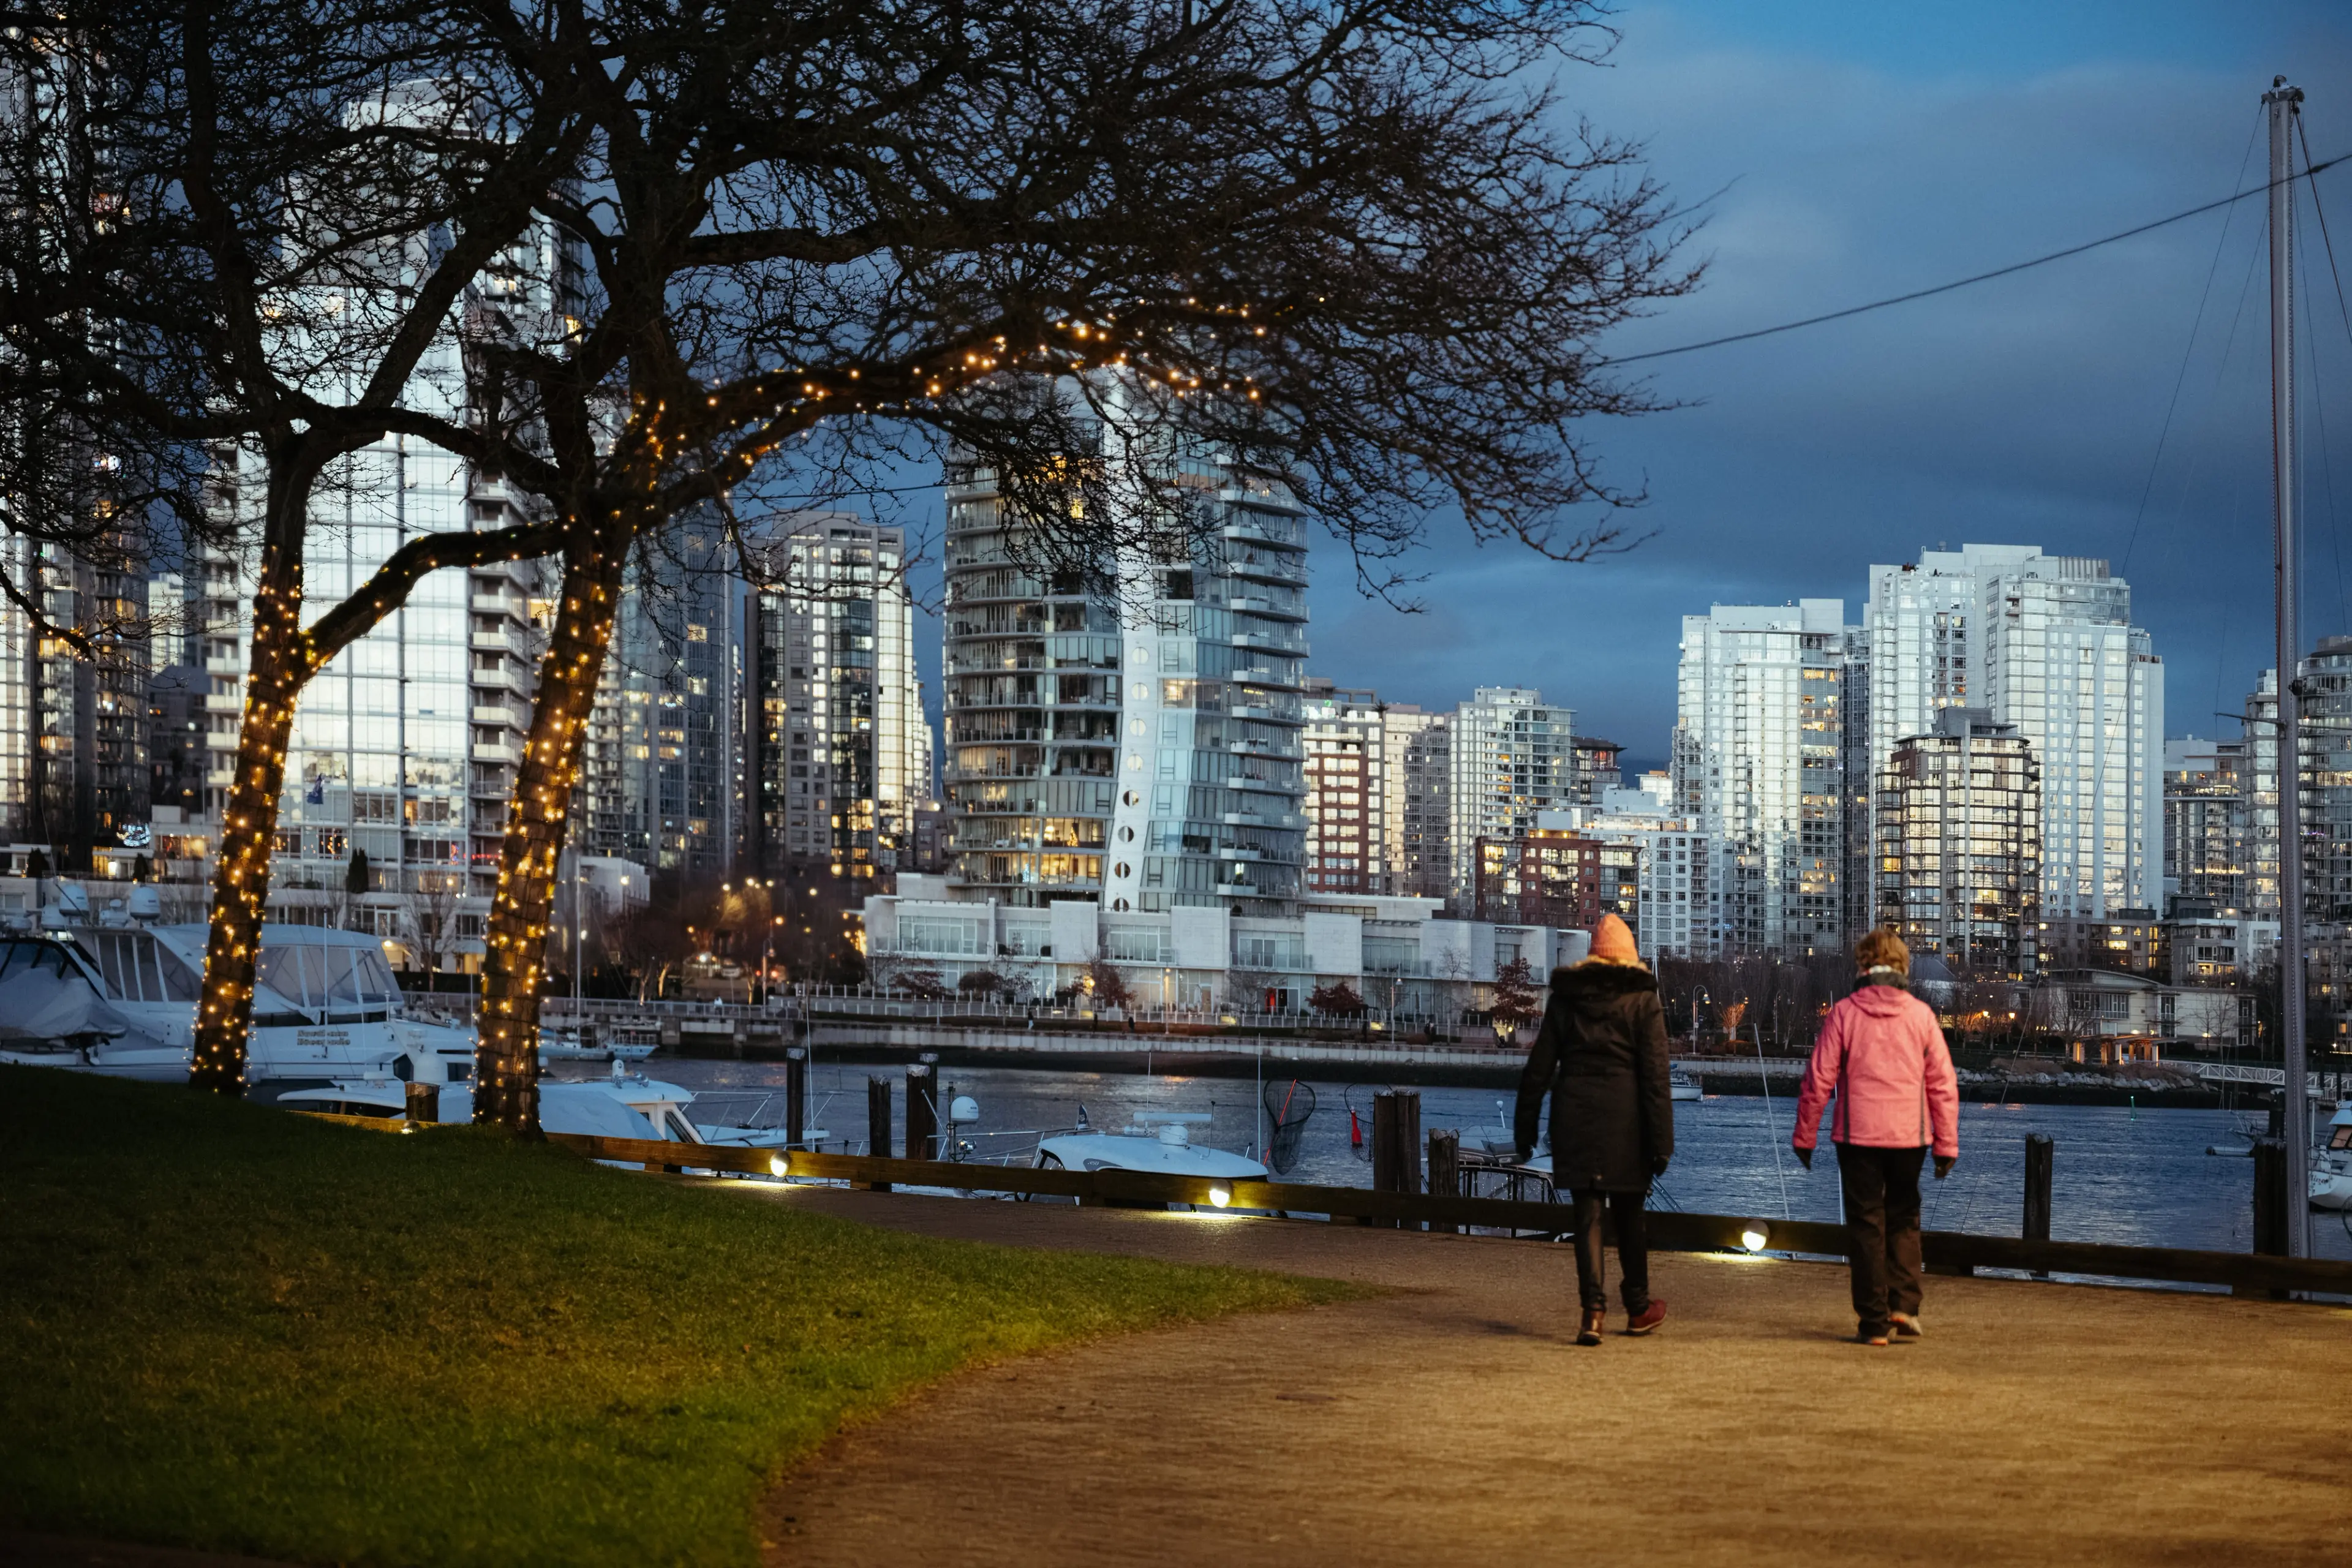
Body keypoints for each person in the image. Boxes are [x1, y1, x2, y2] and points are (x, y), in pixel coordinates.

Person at [1792, 927, 1959, 1347]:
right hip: (1909, 1137)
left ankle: (1873, 1322)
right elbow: (1943, 1084)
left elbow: (1819, 1079)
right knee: (1904, 1218)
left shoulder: (1845, 1013)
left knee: (1867, 1225)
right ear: (1903, 966)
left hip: (1858, 1136)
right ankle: (1904, 1305)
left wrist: (1805, 1136)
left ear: (1863, 965)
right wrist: (1946, 1144)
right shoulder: (1921, 1016)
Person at [1515, 913, 1673, 1346]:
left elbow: (1539, 1069)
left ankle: (1593, 1313)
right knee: (1631, 1214)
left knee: (1587, 1215)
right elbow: (1656, 1079)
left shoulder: (1566, 1000)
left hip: (1575, 1115)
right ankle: (1637, 1308)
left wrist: (1525, 1129)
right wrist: (1662, 1143)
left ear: (1593, 957)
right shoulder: (1643, 1001)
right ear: (1630, 958)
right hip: (1628, 1121)